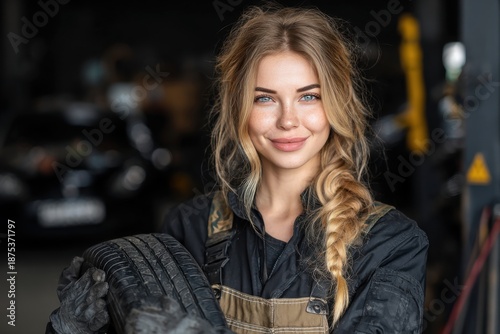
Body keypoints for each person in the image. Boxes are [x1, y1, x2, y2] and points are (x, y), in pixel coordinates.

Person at [47, 4, 428, 333]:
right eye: (265, 99)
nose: (288, 120)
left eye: (308, 96)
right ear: (239, 109)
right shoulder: (190, 228)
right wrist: (72, 328)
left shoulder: (391, 244)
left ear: (337, 105)